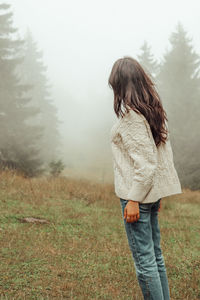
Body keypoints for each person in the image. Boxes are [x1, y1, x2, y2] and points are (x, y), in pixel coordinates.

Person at [108, 57, 182, 300]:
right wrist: (155, 193)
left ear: (120, 84)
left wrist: (133, 200)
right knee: (155, 257)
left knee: (145, 262)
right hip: (148, 194)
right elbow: (158, 156)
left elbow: (147, 163)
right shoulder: (152, 111)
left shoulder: (131, 116)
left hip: (136, 197)